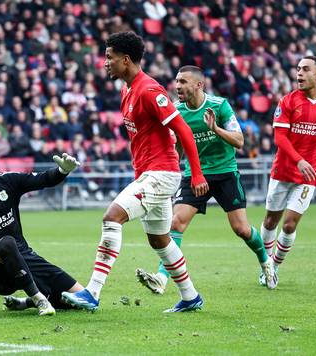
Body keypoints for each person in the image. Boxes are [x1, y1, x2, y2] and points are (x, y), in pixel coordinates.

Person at [61, 32, 209, 313]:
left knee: (111, 217)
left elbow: (184, 131)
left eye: (109, 57)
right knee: (160, 240)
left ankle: (92, 292)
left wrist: (197, 174)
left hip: (161, 174)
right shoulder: (127, 89)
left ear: (125, 60)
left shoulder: (149, 90)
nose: (105, 63)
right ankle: (190, 296)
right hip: (148, 173)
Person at [135, 66, 275, 296]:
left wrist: (216, 129)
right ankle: (161, 277)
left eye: (183, 82)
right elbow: (179, 147)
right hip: (194, 174)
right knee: (176, 223)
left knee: (240, 228)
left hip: (225, 172)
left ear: (199, 85)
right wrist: (169, 168)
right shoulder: (177, 111)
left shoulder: (219, 106)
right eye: (176, 81)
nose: (177, 86)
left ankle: (265, 260)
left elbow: (239, 141)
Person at [0, 146, 84, 316]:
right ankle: (40, 300)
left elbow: (42, 180)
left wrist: (62, 171)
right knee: (6, 243)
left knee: (82, 299)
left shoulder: (5, 181)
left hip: (24, 258)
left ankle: (25, 302)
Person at [259, 56, 316, 288]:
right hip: (284, 170)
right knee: (270, 222)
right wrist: (298, 161)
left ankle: (273, 268)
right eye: (298, 69)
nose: (299, 73)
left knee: (289, 225)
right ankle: (265, 264)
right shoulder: (288, 101)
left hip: (309, 174)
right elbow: (279, 137)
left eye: (305, 69)